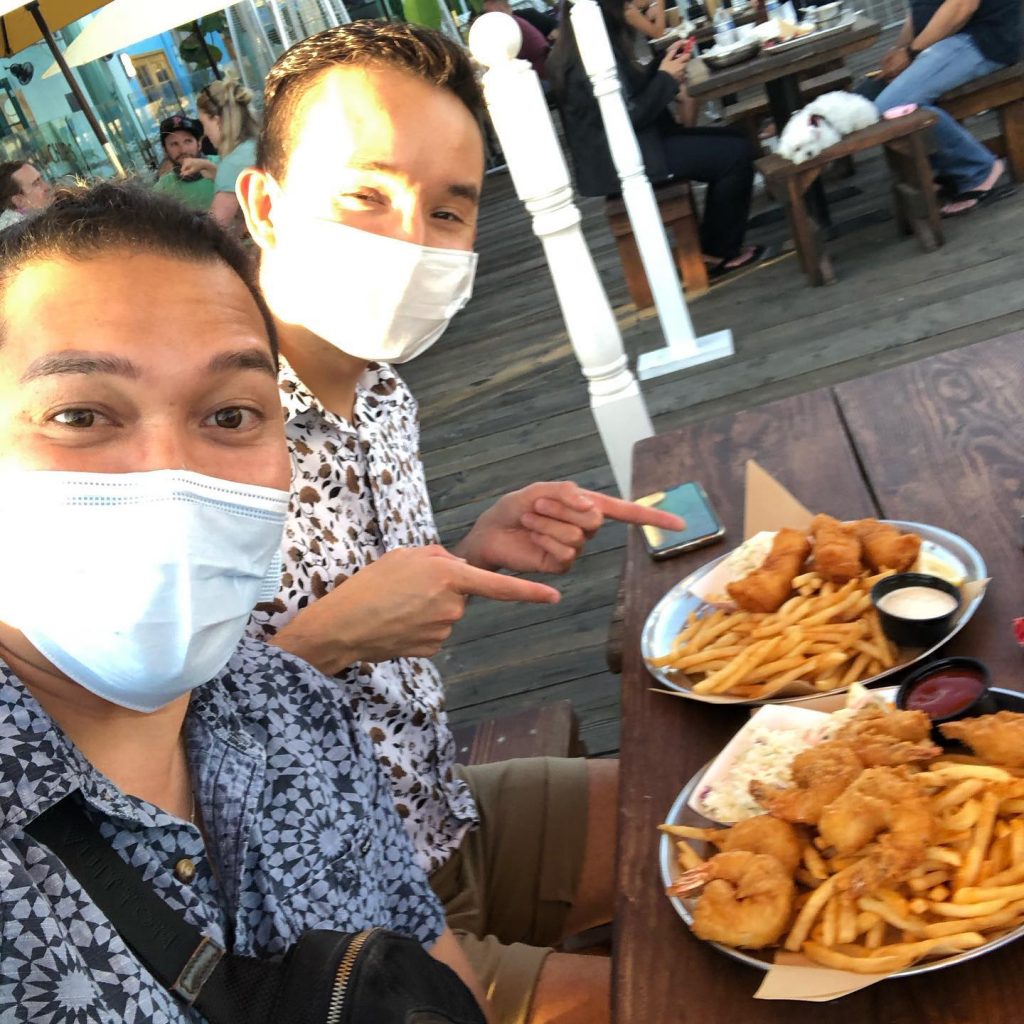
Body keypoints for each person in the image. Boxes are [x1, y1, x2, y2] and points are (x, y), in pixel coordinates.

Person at [235, 21, 682, 1024]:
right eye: (366, 193)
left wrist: (464, 550)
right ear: (266, 205)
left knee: (732, 810)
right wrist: (322, 642)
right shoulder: (194, 433)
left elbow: (374, 605)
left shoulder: (384, 390)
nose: (409, 238)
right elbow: (133, 766)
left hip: (446, 814)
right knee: (688, 1000)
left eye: (448, 210)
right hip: (331, 920)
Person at [0, 181, 484, 1021]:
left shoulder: (293, 705)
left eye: (231, 414)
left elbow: (425, 958)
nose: (169, 470)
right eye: (79, 414)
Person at [548, 0, 761, 277]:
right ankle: (717, 252)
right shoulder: (585, 57)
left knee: (734, 139)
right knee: (736, 154)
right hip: (626, 162)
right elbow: (628, 116)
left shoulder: (581, 46)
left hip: (633, 149)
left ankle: (713, 242)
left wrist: (662, 66)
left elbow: (627, 99)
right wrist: (666, 79)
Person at [858, 0, 1020, 216]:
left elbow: (962, 6)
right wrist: (899, 50)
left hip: (982, 39)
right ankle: (941, 169)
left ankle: (976, 169)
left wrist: (910, 53)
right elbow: (917, 11)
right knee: (865, 99)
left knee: (891, 106)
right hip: (944, 40)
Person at [183, 78, 260, 230]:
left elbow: (214, 229)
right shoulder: (256, 144)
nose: (204, 132)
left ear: (217, 121)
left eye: (204, 124)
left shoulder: (231, 164)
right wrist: (209, 167)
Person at [152, 113, 219, 212]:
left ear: (199, 144)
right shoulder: (162, 190)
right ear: (165, 150)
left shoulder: (225, 164)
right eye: (174, 144)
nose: (183, 150)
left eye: (188, 141)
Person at [481, 0, 553, 77]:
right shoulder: (512, 24)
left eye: (490, 13)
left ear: (504, 10)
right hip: (541, 73)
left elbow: (502, 64)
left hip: (543, 77)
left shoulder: (512, 28)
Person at [0, 159, 51, 230]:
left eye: (41, 178)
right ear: (19, 200)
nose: (47, 187)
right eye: (35, 184)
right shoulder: (21, 234)